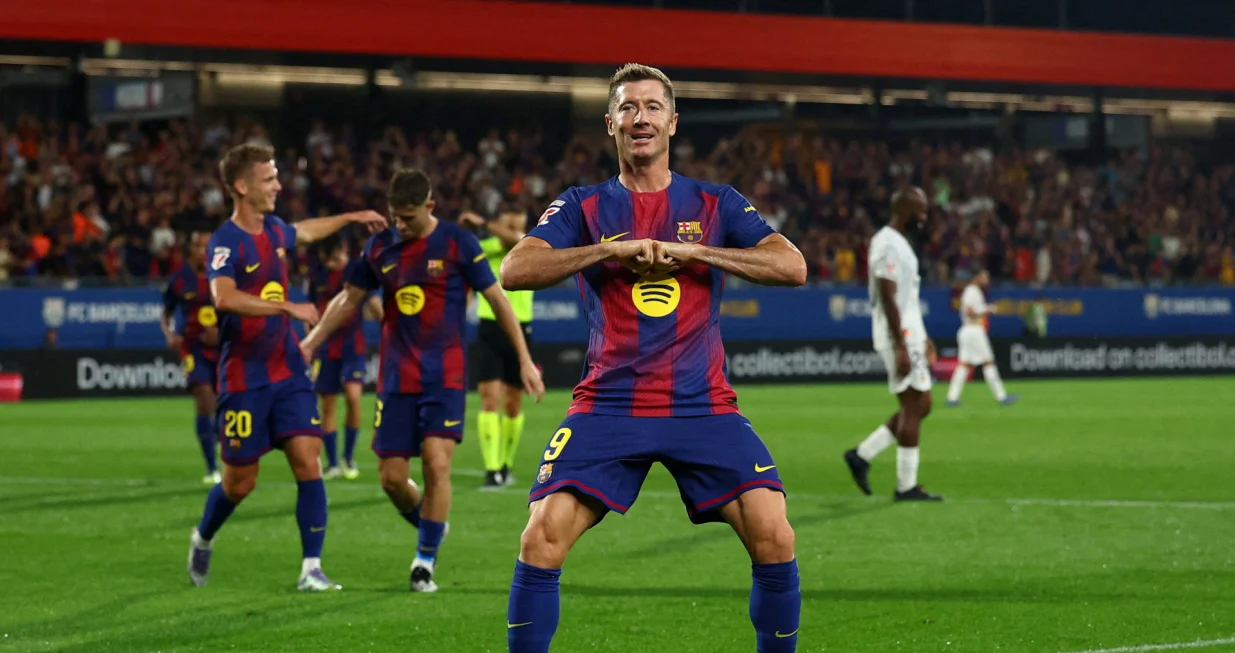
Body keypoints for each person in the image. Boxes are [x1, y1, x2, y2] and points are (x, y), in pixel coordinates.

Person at [500, 63, 807, 653]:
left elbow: (790, 266)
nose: (641, 118)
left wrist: (697, 253)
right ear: (611, 123)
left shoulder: (716, 202)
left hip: (702, 406)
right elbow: (516, 269)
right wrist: (605, 252)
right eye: (629, 108)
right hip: (608, 405)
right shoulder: (583, 206)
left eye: (652, 107)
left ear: (672, 122)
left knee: (775, 535)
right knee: (540, 538)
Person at [300, 168, 544, 593]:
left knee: (436, 464)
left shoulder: (457, 243)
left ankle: (424, 561)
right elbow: (349, 298)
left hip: (444, 376)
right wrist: (311, 342)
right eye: (396, 216)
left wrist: (524, 359)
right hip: (396, 378)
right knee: (392, 478)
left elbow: (496, 298)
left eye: (408, 217)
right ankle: (431, 525)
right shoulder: (379, 247)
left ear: (429, 207)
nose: (401, 225)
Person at [186, 143, 387, 591]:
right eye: (269, 178)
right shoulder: (225, 242)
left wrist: (351, 218)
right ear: (242, 186)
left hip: (289, 370)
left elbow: (307, 231)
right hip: (243, 379)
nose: (278, 185)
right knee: (240, 483)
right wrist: (286, 310)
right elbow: (224, 297)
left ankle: (310, 568)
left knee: (307, 459)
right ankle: (204, 535)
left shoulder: (275, 230)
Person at [843, 186, 943, 503]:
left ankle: (862, 455)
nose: (924, 217)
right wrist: (902, 344)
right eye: (921, 211)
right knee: (914, 405)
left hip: (909, 332)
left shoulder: (900, 244)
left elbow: (906, 299)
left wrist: (923, 337)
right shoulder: (886, 243)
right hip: (898, 334)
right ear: (904, 210)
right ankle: (905, 486)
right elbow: (887, 295)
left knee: (921, 405)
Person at [460, 209, 535, 489]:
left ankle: (506, 463)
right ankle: (492, 469)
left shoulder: (530, 244)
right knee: (489, 399)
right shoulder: (484, 249)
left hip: (520, 329)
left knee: (514, 402)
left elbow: (515, 240)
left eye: (517, 222)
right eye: (509, 220)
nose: (513, 225)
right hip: (490, 328)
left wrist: (486, 224)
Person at [307, 236, 381, 479]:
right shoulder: (316, 275)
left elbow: (373, 302)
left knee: (353, 397)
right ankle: (332, 463)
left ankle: (348, 457)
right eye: (327, 259)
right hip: (327, 348)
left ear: (345, 249)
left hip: (353, 346)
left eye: (335, 257)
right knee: (327, 405)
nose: (331, 263)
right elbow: (312, 310)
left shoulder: (357, 271)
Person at [162, 229, 221, 485]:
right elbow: (165, 313)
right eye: (199, 245)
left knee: (221, 402)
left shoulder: (222, 276)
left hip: (221, 348)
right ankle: (211, 467)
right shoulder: (179, 280)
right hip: (192, 348)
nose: (203, 251)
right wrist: (169, 335)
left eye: (207, 246)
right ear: (192, 248)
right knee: (204, 396)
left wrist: (222, 331)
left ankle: (217, 438)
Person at [945, 270, 1018, 407]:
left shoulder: (971, 291)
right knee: (988, 362)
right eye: (984, 276)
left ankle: (952, 398)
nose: (987, 279)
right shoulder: (972, 291)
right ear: (977, 277)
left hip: (967, 330)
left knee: (964, 365)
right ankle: (1001, 396)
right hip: (974, 330)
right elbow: (969, 312)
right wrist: (988, 309)